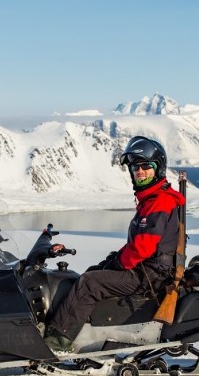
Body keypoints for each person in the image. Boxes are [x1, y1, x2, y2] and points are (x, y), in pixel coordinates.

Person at [44, 136, 186, 352]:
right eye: (135, 167)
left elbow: (143, 248)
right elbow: (138, 244)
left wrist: (119, 263)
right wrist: (112, 260)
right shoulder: (152, 200)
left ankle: (57, 341)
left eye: (145, 166)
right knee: (94, 272)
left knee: (89, 283)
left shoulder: (160, 201)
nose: (139, 171)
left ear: (158, 168)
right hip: (148, 270)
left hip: (150, 275)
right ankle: (90, 332)